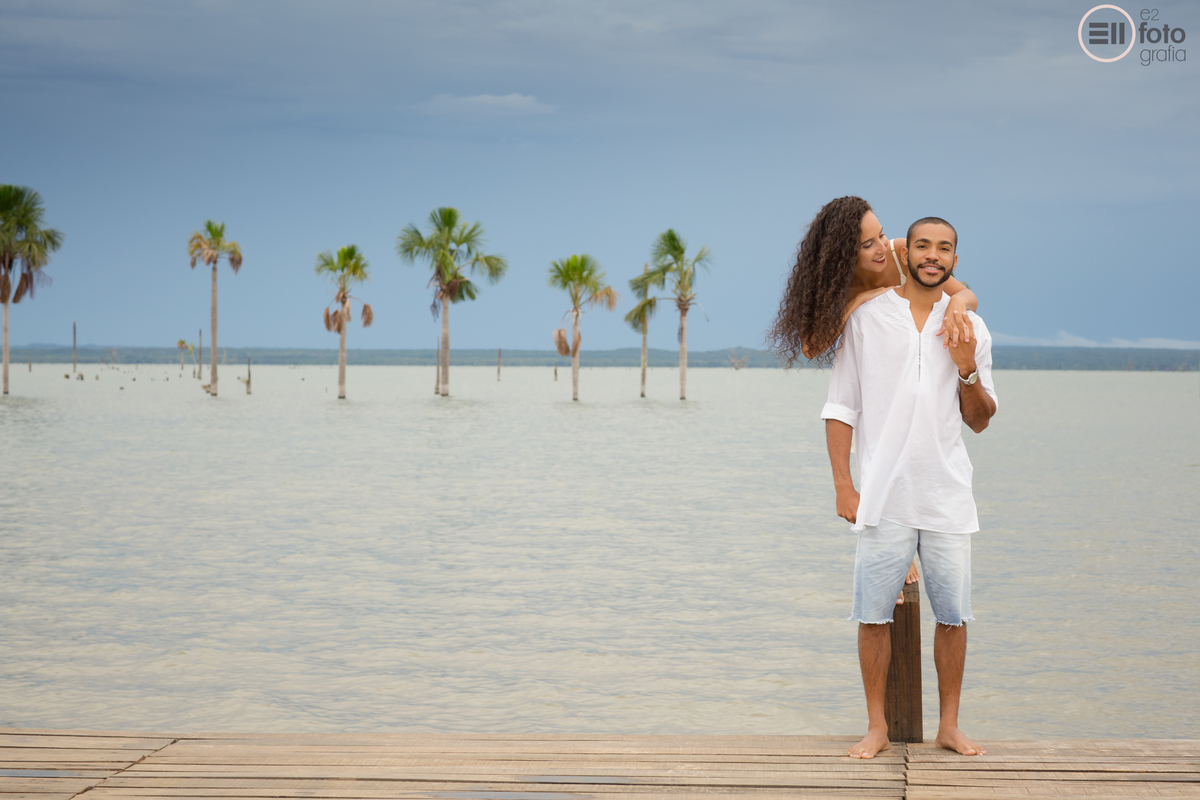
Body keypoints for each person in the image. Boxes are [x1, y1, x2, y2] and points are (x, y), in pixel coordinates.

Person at [820, 216, 997, 759]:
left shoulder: (973, 327)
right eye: (923, 246)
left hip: (946, 495)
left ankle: (949, 725)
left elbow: (982, 419)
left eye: (944, 249)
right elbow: (841, 407)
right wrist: (844, 486)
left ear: (954, 262)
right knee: (872, 615)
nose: (932, 256)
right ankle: (875, 727)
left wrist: (966, 369)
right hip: (883, 495)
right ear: (907, 251)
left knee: (953, 615)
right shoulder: (868, 318)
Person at [770, 196, 979, 599]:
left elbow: (968, 295)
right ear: (842, 257)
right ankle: (892, 551)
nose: (882, 247)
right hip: (875, 361)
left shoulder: (903, 252)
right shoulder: (843, 286)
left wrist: (955, 302)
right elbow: (812, 346)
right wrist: (861, 300)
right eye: (867, 245)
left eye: (880, 233)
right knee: (876, 439)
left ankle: (903, 547)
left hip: (918, 352)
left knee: (908, 434)